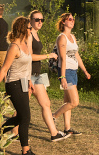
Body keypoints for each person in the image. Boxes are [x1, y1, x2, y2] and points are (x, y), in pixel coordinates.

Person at [0, 16, 56, 155]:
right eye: (29, 28)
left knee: (21, 116)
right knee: (25, 117)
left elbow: (27, 65)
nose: (31, 30)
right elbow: (4, 70)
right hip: (13, 84)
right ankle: (26, 150)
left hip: (24, 83)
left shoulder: (25, 44)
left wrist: (30, 81)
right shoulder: (14, 47)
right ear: (23, 29)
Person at [28, 9, 69, 142]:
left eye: (42, 20)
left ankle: (54, 133)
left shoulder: (36, 34)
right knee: (22, 108)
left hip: (37, 74)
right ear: (30, 20)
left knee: (46, 103)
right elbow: (29, 56)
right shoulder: (28, 35)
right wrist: (48, 55)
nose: (40, 22)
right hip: (28, 75)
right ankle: (10, 132)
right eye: (37, 20)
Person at [52, 12, 91, 136]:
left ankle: (67, 128)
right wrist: (63, 77)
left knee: (67, 101)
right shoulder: (62, 37)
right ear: (63, 22)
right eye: (70, 19)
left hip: (73, 71)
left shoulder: (72, 37)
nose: (72, 21)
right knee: (74, 102)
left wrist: (85, 70)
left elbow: (76, 55)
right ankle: (53, 116)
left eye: (73, 19)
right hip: (66, 72)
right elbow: (63, 58)